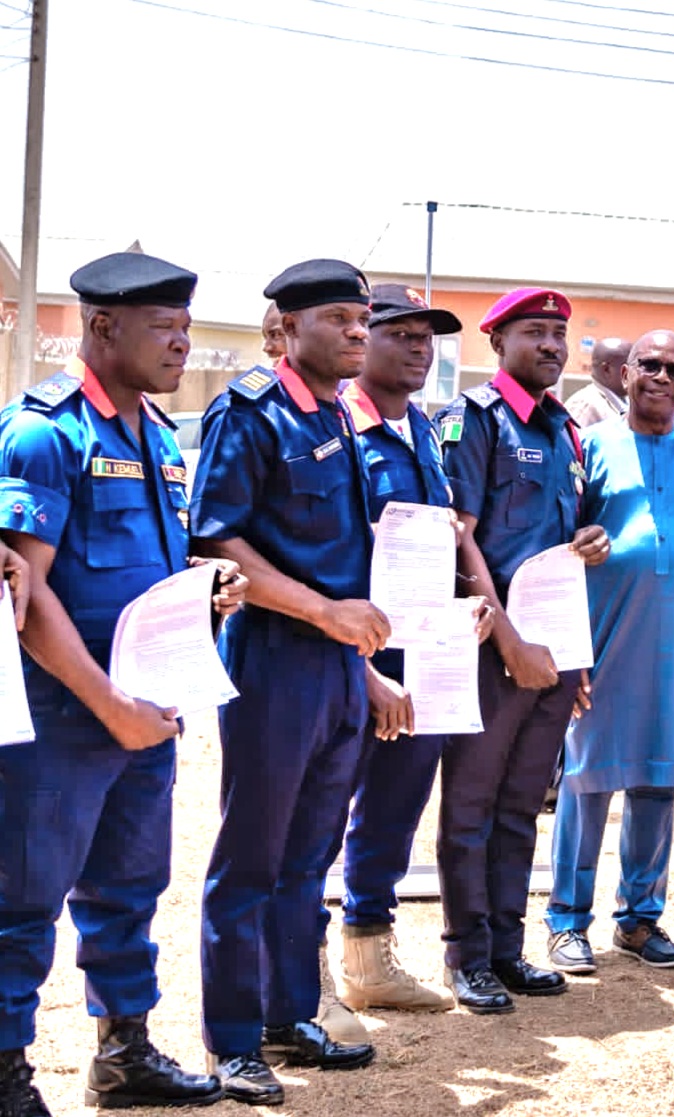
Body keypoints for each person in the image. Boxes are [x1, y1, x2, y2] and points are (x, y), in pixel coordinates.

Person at [0, 252, 233, 1115]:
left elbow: (147, 575)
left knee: (128, 890)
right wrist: (111, 706)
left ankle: (123, 1051)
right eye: (164, 328)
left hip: (145, 712)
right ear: (101, 327)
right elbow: (23, 598)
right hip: (63, 717)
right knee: (20, 902)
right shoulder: (45, 434)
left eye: (184, 326)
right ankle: (5, 1077)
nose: (181, 344)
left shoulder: (158, 437)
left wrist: (209, 594)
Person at [193, 259, 389, 1106]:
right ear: (290, 325)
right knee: (251, 856)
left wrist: (360, 654)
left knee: (309, 854)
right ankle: (233, 1039)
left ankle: (287, 1013)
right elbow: (217, 542)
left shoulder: (340, 416)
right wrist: (325, 613)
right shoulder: (250, 412)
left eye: (362, 319)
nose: (358, 332)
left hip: (340, 666)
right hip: (275, 658)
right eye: (341, 318)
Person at [433, 288, 611, 1014]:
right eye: (534, 332)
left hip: (554, 648)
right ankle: (466, 955)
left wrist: (577, 648)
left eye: (558, 335)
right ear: (497, 342)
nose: (550, 346)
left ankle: (506, 949)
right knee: (471, 805)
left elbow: (563, 542)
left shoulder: (567, 429)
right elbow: (460, 531)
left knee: (519, 806)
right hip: (491, 645)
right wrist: (508, 639)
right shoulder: (476, 421)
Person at [544, 330, 674, 974]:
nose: (663, 378)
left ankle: (640, 919)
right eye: (651, 365)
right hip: (603, 641)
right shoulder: (592, 445)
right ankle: (566, 920)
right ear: (627, 372)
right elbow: (563, 543)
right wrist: (566, 650)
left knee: (655, 782)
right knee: (587, 782)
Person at [333, 285, 467, 1020]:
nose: (420, 346)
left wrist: (462, 609)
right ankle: (304, 976)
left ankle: (368, 953)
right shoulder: (335, 426)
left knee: (394, 808)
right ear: (362, 339)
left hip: (420, 658)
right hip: (343, 656)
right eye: (402, 333)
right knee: (312, 820)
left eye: (429, 336)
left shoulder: (426, 430)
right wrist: (364, 669)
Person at [564, 337, 631, 429]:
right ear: (607, 369)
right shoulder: (585, 407)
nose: (638, 372)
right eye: (631, 367)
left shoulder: (625, 401)